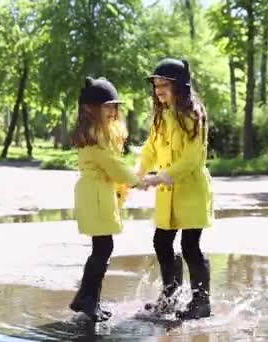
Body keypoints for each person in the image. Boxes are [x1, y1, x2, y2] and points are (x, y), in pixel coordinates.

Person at [136, 58, 214, 320]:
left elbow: (192, 158)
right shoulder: (161, 116)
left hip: (190, 190)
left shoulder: (193, 115)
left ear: (180, 87)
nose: (159, 90)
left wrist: (161, 177)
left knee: (191, 246)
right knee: (162, 241)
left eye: (164, 85)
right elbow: (150, 148)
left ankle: (201, 302)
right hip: (168, 193)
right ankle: (170, 296)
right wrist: (139, 172)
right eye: (156, 85)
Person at [70, 77, 148, 322]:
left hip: (97, 193)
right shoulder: (95, 136)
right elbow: (112, 166)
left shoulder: (98, 133)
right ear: (90, 109)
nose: (113, 111)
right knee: (103, 248)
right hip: (96, 195)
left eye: (115, 106)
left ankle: (87, 298)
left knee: (101, 248)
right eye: (107, 106)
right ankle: (87, 299)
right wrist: (138, 180)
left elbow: (113, 165)